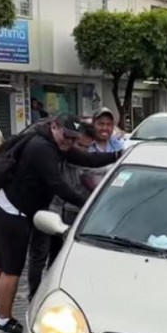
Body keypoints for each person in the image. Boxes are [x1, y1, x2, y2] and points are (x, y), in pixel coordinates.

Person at [0, 115, 121, 333]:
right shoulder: (42, 149)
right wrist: (91, 204)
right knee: (11, 270)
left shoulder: (52, 142)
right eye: (66, 137)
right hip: (13, 212)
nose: (69, 143)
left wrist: (120, 154)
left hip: (3, 205)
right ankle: (3, 321)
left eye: (73, 139)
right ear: (54, 127)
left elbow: (88, 160)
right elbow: (59, 186)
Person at [27, 121, 96, 301]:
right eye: (79, 145)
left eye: (86, 147)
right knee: (38, 256)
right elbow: (58, 186)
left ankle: (51, 293)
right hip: (48, 210)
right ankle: (34, 297)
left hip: (71, 215)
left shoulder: (85, 163)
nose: (80, 150)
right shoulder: (53, 153)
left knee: (59, 257)